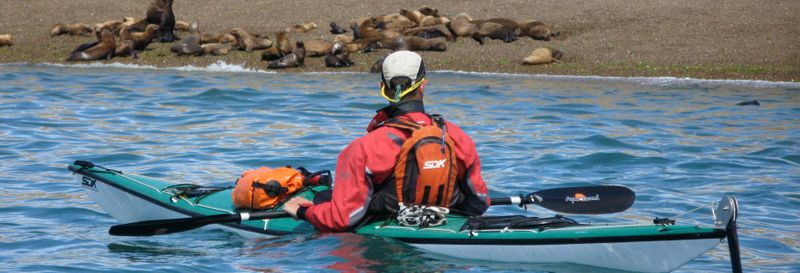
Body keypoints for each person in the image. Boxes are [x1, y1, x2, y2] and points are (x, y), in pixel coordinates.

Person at [283, 50, 490, 231]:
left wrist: (303, 212)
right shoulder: (458, 137)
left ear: (382, 87)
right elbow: (479, 204)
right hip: (444, 237)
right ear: (423, 85)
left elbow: (342, 219)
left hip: (380, 245)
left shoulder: (363, 148)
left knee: (323, 197)